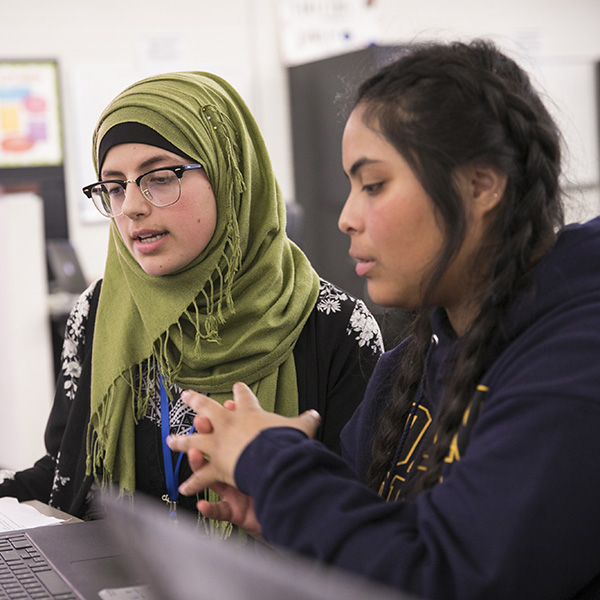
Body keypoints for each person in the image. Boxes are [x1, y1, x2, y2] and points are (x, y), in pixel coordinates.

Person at [167, 39, 600, 599]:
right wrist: (285, 518)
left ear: (482, 183)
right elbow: (387, 547)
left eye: (373, 185)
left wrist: (273, 462)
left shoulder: (575, 363)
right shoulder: (410, 363)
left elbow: (442, 577)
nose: (347, 217)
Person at [0, 71, 384, 522]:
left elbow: (365, 520)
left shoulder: (337, 329)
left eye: (160, 178)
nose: (132, 208)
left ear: (229, 176)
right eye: (115, 186)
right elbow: (68, 469)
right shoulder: (98, 312)